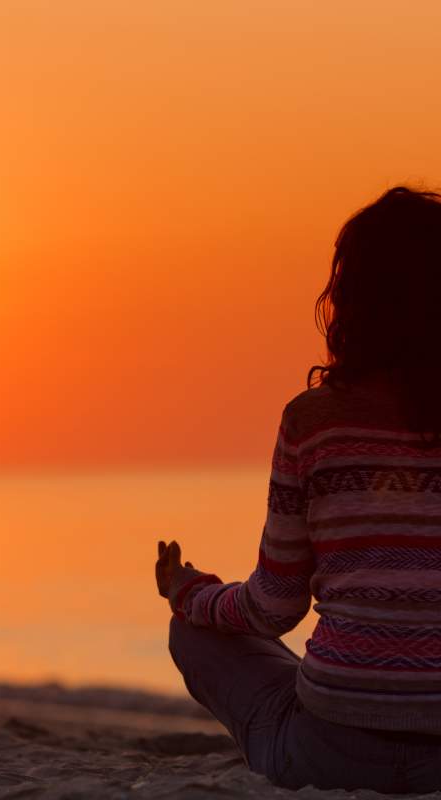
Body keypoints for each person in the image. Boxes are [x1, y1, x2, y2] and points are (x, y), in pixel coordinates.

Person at [155, 184, 441, 794]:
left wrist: (191, 593)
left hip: (329, 756)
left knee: (193, 628)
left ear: (350, 298)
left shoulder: (316, 421)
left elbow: (272, 609)